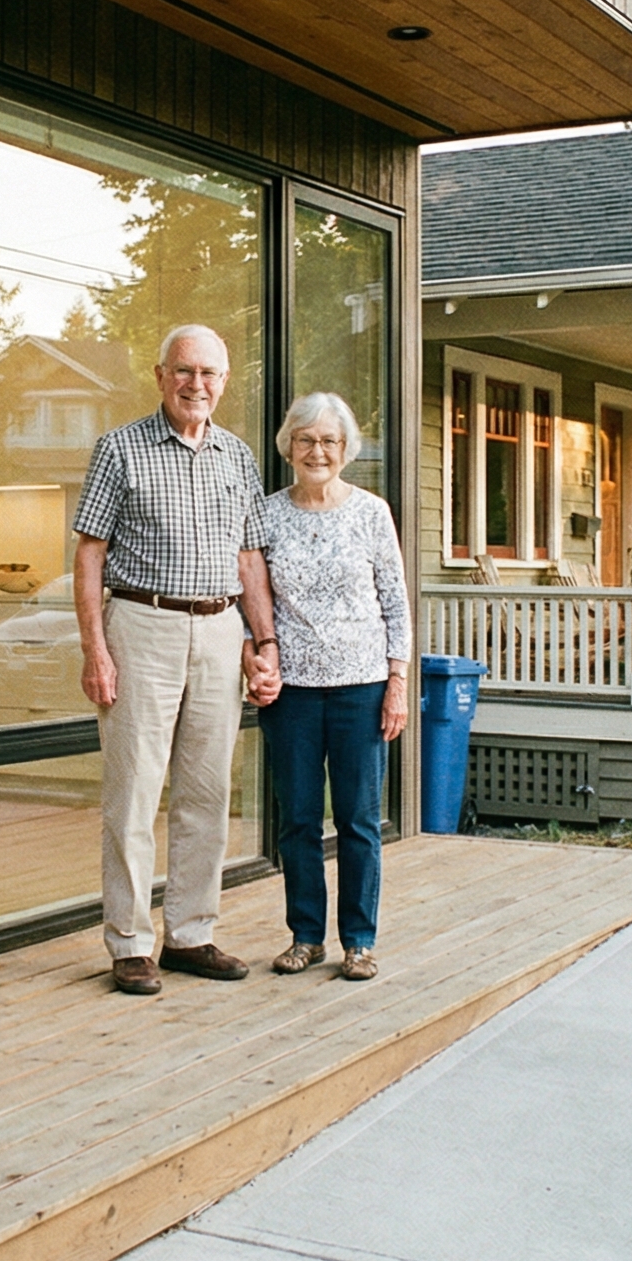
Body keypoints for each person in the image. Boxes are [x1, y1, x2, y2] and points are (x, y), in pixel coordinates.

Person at [72, 324, 282, 996]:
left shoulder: (236, 456)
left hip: (220, 629)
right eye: (185, 371)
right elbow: (89, 555)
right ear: (161, 376)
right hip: (142, 623)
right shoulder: (120, 449)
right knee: (134, 792)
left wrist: (263, 640)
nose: (197, 385)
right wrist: (95, 649)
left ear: (225, 382)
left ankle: (191, 932)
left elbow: (250, 558)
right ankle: (131, 943)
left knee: (206, 791)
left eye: (210, 374)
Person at [256, 393, 409, 982]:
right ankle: (305, 936)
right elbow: (253, 600)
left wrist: (396, 683)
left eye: (329, 441)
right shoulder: (266, 513)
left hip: (362, 687)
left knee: (358, 821)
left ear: (345, 449)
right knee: (296, 818)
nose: (317, 451)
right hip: (291, 691)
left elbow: (396, 602)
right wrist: (257, 655)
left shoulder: (372, 512)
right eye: (306, 439)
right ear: (289, 446)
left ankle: (359, 941)